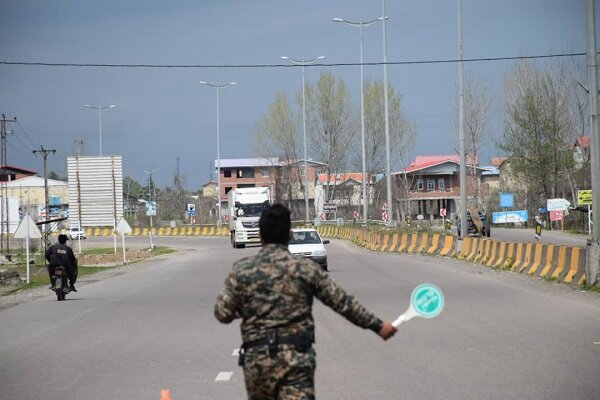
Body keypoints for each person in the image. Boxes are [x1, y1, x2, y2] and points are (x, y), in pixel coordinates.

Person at [214, 203, 397, 399]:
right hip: (296, 360)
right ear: (289, 235)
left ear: (260, 235)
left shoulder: (242, 270)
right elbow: (343, 303)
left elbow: (222, 313)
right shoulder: (305, 269)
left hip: (258, 361)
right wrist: (378, 326)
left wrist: (246, 307)